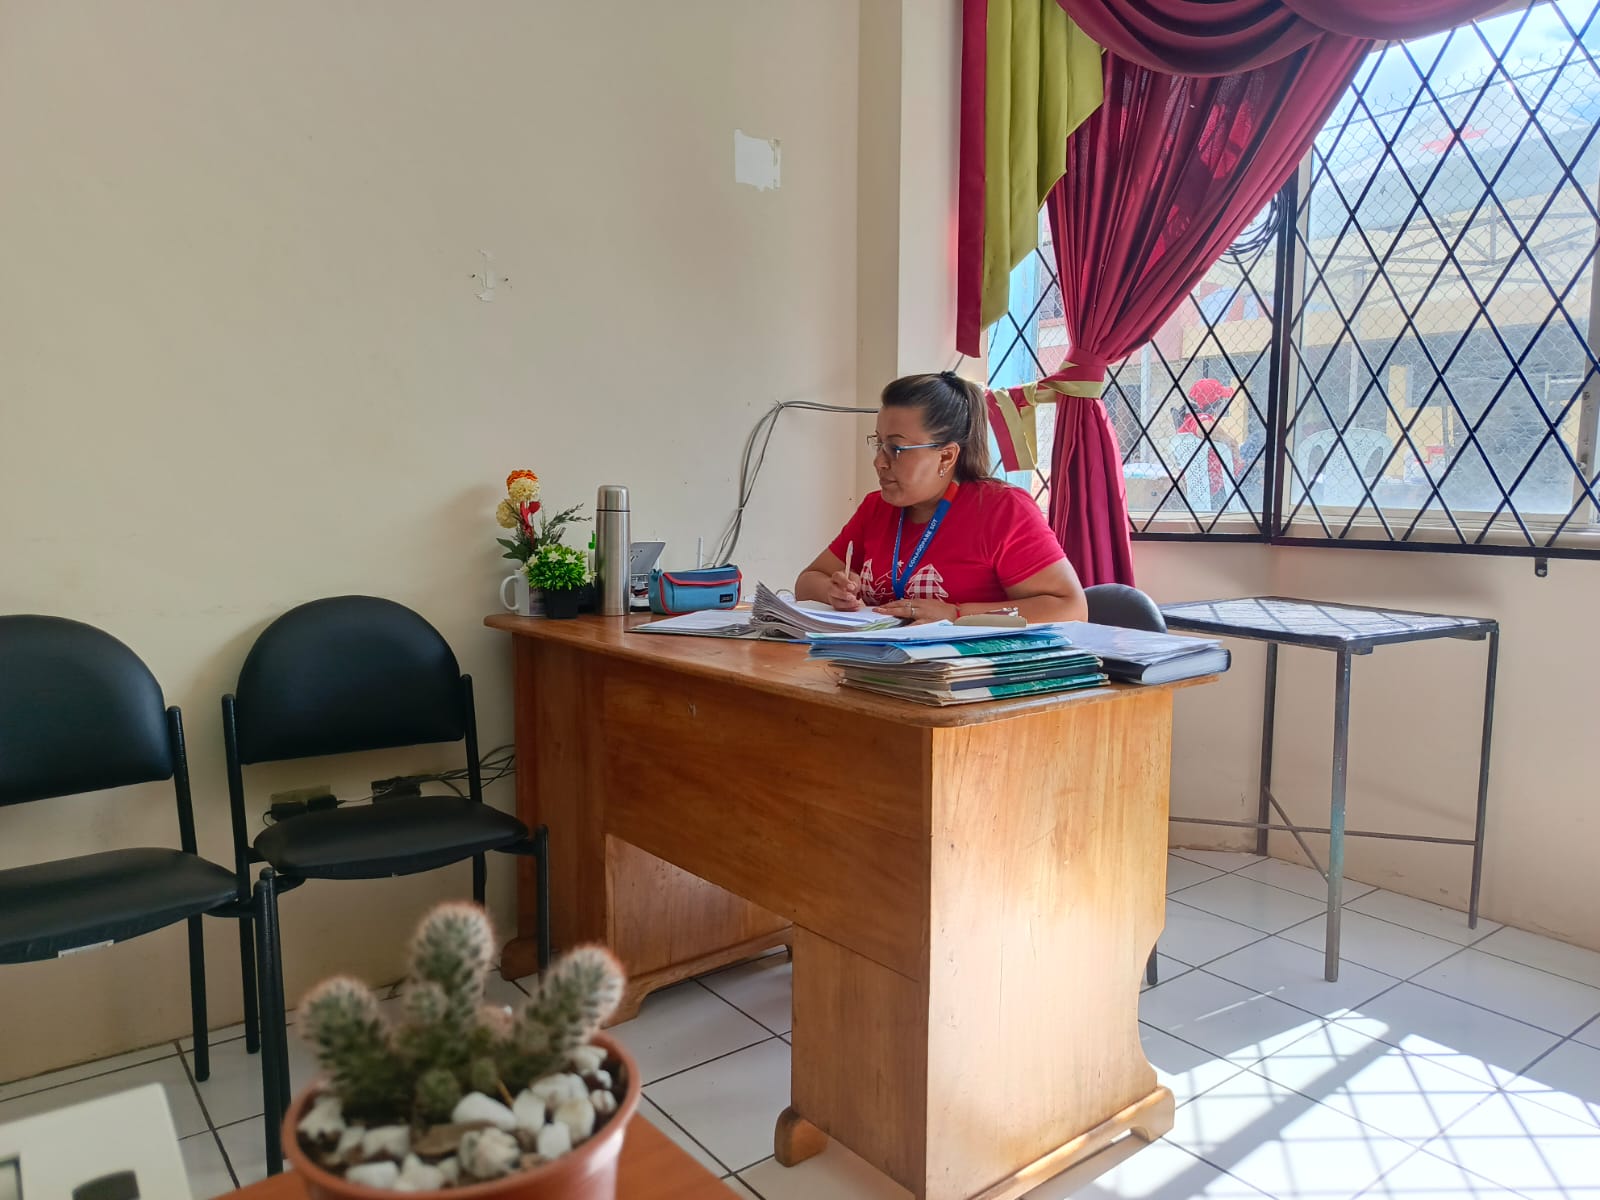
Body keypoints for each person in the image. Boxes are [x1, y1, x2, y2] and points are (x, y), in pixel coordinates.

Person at [794, 372, 1088, 624]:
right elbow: (807, 581)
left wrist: (956, 614)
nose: (879, 462)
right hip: (879, 663)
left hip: (969, 669)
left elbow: (1070, 609)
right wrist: (833, 592)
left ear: (946, 456)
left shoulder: (1003, 510)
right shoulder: (876, 507)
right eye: (879, 444)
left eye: (896, 449)